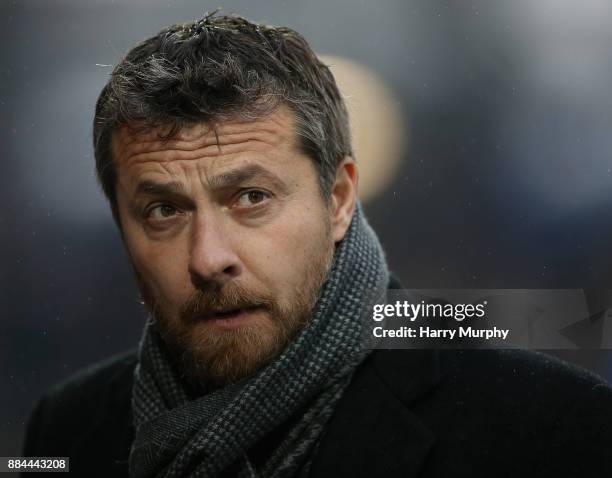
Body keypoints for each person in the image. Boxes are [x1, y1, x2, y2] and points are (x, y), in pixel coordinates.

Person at [21, 13, 612, 478]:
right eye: (164, 211)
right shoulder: (67, 432)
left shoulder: (553, 429)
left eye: (252, 198)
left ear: (338, 199)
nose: (208, 258)